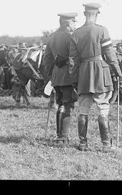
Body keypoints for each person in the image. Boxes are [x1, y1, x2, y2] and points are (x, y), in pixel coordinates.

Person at [69, 3, 122, 151]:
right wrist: (117, 71)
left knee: (83, 109)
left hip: (84, 73)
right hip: (100, 72)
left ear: (85, 14)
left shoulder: (76, 33)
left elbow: (73, 59)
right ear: (97, 14)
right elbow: (110, 54)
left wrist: (74, 78)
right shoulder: (101, 30)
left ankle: (82, 143)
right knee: (103, 108)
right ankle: (106, 145)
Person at [43, 12, 78, 146]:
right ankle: (62, 137)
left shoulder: (52, 37)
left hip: (56, 76)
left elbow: (47, 59)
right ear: (68, 23)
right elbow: (75, 57)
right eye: (74, 22)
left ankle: (60, 135)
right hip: (68, 75)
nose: (75, 25)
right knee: (66, 104)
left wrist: (51, 75)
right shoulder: (70, 37)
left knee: (60, 104)